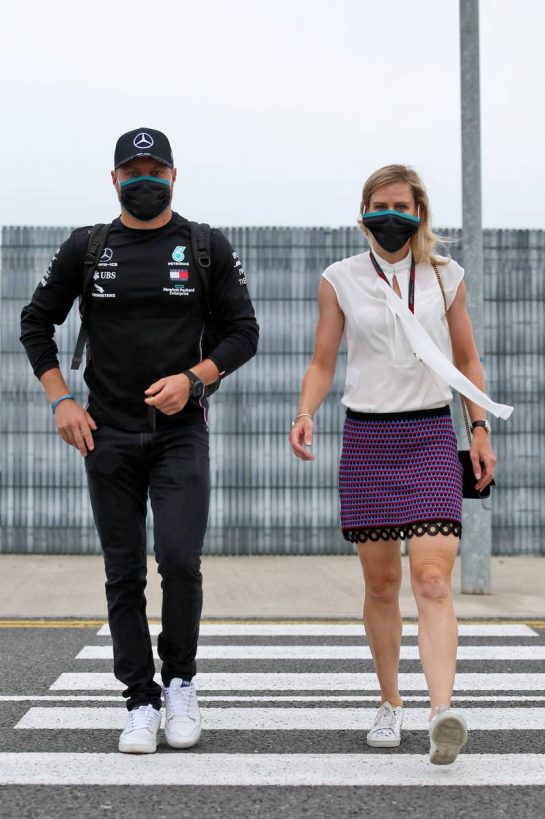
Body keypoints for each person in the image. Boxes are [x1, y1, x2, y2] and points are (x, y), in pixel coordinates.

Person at [20, 127, 259, 754]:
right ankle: (139, 700)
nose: (144, 180)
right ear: (115, 179)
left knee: (179, 560)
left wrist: (194, 379)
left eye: (155, 170)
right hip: (106, 435)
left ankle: (180, 683)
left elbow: (244, 332)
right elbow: (35, 322)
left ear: (174, 177)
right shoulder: (87, 246)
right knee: (122, 571)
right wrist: (62, 400)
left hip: (181, 435)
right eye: (133, 171)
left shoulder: (204, 245)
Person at [289, 164, 512, 765]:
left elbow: (466, 359)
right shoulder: (340, 278)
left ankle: (442, 713)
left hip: (431, 434)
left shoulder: (446, 275)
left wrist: (480, 428)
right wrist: (306, 411)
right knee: (382, 584)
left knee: (432, 579)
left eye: (403, 206)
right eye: (381, 205)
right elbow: (322, 360)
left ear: (420, 214)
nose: (392, 215)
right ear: (364, 212)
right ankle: (391, 701)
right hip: (367, 438)